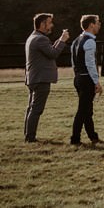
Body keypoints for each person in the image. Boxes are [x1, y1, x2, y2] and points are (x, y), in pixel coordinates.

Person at [24, 13, 70, 142]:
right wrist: (62, 41)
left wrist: (59, 40)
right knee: (36, 109)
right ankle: (30, 137)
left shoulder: (33, 37)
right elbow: (53, 53)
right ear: (43, 24)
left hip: (33, 78)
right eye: (49, 22)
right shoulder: (41, 39)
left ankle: (28, 135)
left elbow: (49, 50)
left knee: (31, 109)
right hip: (41, 79)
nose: (52, 25)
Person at [70, 14, 102, 145]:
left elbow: (73, 61)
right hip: (86, 79)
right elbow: (90, 63)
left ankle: (93, 136)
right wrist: (96, 81)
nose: (99, 25)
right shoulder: (90, 41)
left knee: (87, 110)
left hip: (78, 77)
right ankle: (75, 138)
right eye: (98, 22)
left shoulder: (76, 40)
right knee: (83, 110)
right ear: (91, 25)